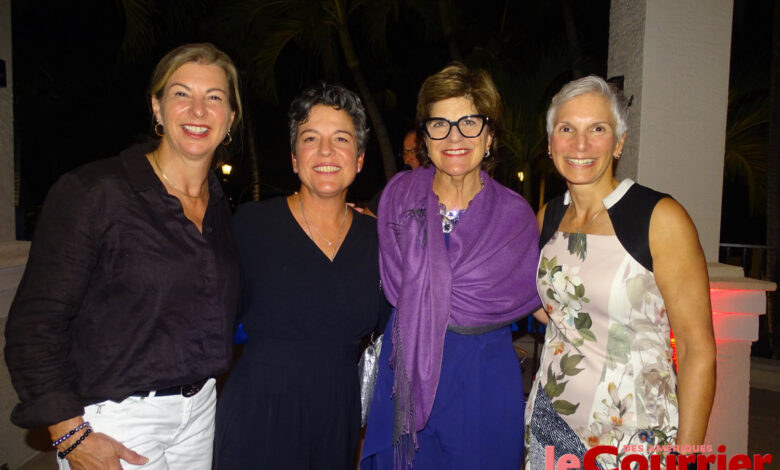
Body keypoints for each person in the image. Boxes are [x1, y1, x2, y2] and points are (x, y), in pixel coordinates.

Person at [4, 43, 242, 469]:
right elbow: (34, 325)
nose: (198, 110)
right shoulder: (97, 191)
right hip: (118, 419)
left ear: (231, 119)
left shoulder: (219, 206)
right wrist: (70, 434)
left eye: (215, 98)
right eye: (181, 94)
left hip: (200, 409)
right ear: (157, 107)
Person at [524, 75, 716, 469]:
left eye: (598, 128)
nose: (581, 144)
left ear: (620, 142)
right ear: (550, 144)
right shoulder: (548, 217)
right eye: (567, 129)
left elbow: (700, 352)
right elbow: (549, 309)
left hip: (634, 438)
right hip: (551, 426)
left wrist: (687, 459)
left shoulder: (659, 218)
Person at [360, 62, 541, 470]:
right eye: (439, 124)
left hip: (481, 379)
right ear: (425, 136)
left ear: (490, 135)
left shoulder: (515, 218)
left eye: (469, 123)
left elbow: (537, 294)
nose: (454, 137)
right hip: (402, 376)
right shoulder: (398, 198)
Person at [214, 84, 390, 469]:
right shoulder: (252, 226)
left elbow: (392, 326)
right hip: (258, 416)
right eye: (311, 138)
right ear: (295, 159)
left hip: (336, 422)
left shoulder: (377, 240)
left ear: (359, 159)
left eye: (340, 139)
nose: (326, 151)